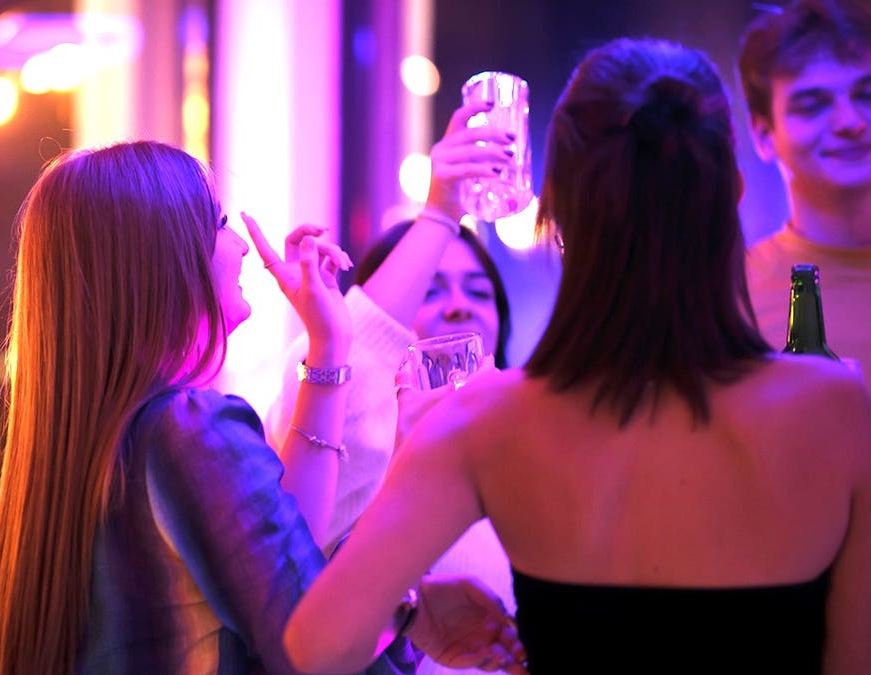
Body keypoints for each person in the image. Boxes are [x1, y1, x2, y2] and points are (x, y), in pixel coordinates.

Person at [285, 37, 871, 675]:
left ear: (557, 206)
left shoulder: (486, 421)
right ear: (732, 188)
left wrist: (412, 610)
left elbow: (318, 645)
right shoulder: (839, 410)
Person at [0, 140, 522, 674]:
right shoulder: (191, 429)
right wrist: (414, 475)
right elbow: (315, 648)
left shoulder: (101, 441)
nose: (242, 245)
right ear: (170, 259)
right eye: (222, 223)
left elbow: (284, 558)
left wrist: (330, 347)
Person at [267, 100, 516, 675]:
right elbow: (356, 355)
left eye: (478, 290)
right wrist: (440, 213)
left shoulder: (535, 434)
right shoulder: (352, 434)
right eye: (433, 288)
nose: (459, 305)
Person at [739, 0, 871, 386]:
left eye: (867, 95)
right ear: (764, 135)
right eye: (812, 105)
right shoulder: (732, 300)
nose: (850, 123)